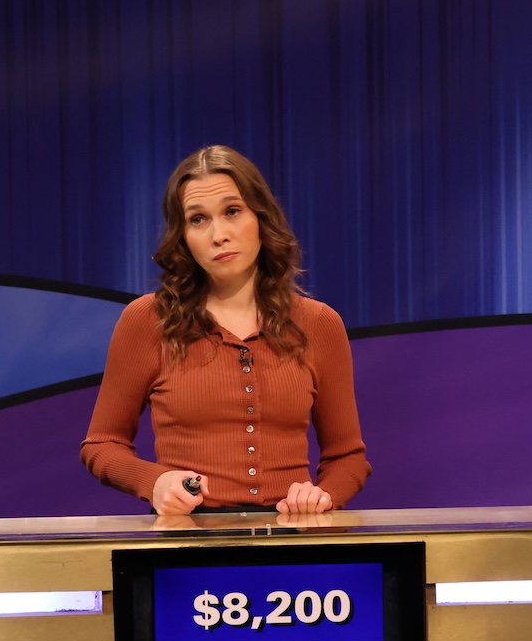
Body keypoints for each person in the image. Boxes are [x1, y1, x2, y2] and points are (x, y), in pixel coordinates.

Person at [81, 145, 370, 514]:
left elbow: (347, 458)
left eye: (232, 211)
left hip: (291, 535)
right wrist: (154, 482)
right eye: (198, 219)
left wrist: (323, 495)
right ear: (182, 236)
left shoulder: (318, 324)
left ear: (261, 217)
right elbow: (101, 445)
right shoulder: (149, 320)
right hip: (187, 537)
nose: (218, 235)